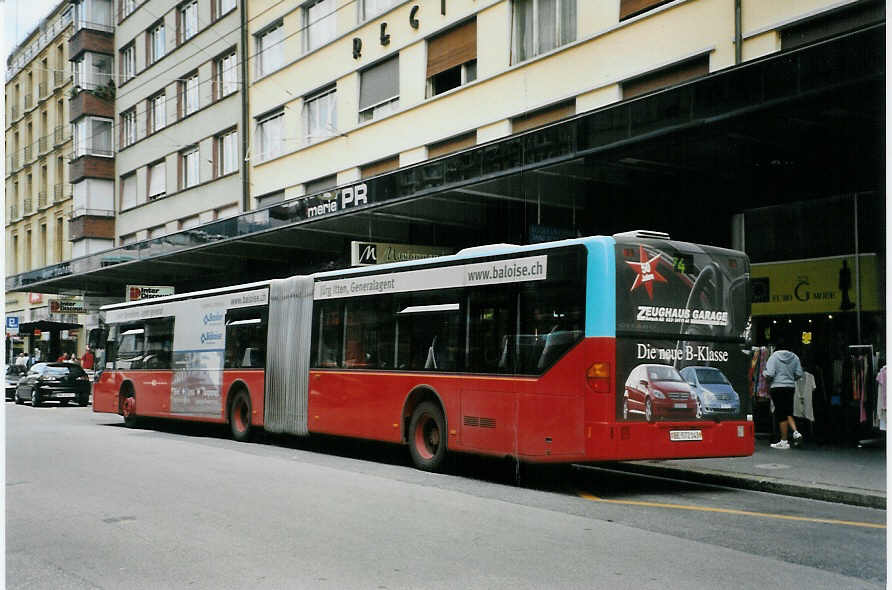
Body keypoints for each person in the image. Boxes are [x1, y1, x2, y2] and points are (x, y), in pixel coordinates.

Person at [763, 339, 805, 449]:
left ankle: (784, 441)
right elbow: (799, 373)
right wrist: (790, 378)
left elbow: (770, 373)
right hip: (790, 387)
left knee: (781, 414)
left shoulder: (774, 357)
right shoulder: (795, 357)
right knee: (788, 411)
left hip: (777, 387)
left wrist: (764, 373)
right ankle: (796, 432)